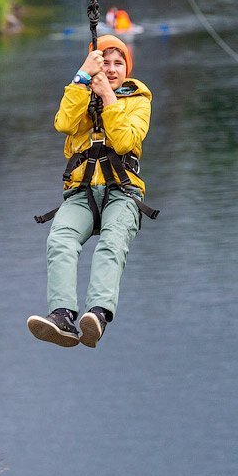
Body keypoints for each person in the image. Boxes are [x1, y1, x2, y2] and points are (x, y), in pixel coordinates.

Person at [27, 35, 151, 348]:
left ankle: (98, 313)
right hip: (80, 193)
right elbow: (64, 124)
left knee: (112, 242)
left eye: (117, 63)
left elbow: (124, 141)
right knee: (60, 240)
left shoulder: (138, 100)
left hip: (122, 192)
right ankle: (62, 316)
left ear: (127, 68)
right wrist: (83, 77)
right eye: (104, 63)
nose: (111, 69)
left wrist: (108, 96)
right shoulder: (80, 93)